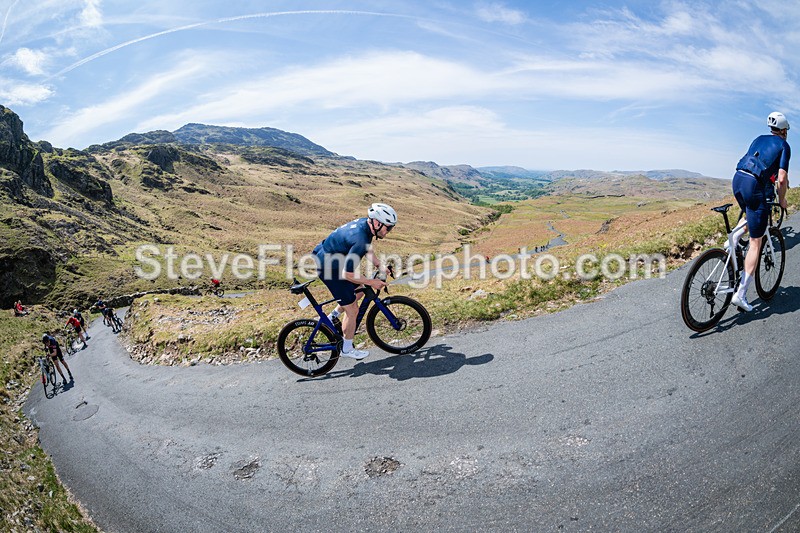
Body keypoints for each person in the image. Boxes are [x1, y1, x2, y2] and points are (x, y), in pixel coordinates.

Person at [312, 203, 396, 360]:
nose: (389, 231)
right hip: (329, 268)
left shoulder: (366, 225)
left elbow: (367, 248)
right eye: (388, 228)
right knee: (352, 310)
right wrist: (372, 282)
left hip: (326, 255)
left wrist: (379, 265)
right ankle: (347, 349)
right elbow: (348, 274)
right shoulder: (360, 238)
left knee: (359, 291)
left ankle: (333, 316)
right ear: (378, 223)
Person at [730, 111, 790, 312]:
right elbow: (781, 179)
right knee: (757, 241)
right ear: (783, 130)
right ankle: (741, 294)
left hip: (738, 179)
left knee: (751, 215)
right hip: (754, 185)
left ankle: (731, 242)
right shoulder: (784, 146)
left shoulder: (758, 138)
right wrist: (782, 200)